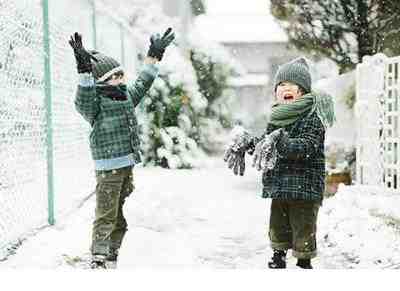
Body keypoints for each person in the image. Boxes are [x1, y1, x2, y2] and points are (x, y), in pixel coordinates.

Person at [69, 28, 175, 269]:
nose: (121, 79)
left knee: (118, 214)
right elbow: (82, 99)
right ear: (101, 82)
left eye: (121, 74)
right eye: (114, 76)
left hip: (126, 165)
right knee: (106, 214)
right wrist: (84, 72)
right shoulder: (95, 105)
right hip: (108, 168)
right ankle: (98, 256)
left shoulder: (125, 96)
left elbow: (143, 82)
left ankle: (112, 252)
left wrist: (154, 55)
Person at [224, 57, 335, 269]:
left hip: (305, 186)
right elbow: (267, 144)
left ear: (303, 91)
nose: (286, 88)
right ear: (276, 91)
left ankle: (304, 260)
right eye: (281, 85)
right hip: (280, 184)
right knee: (278, 224)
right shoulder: (276, 118)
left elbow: (305, 147)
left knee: (303, 225)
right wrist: (249, 143)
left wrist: (280, 139)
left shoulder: (313, 117)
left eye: (293, 85)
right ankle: (278, 255)